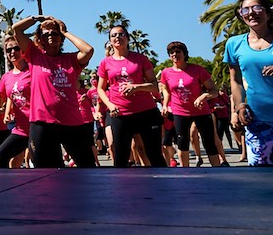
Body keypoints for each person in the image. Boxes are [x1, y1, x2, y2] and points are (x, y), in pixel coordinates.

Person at [11, 15, 95, 168]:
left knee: (88, 166)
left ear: (61, 38)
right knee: (45, 170)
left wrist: (65, 31)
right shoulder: (34, 55)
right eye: (46, 34)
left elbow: (88, 50)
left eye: (55, 33)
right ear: (41, 39)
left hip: (72, 122)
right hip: (42, 123)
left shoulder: (71, 60)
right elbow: (16, 29)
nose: (51, 36)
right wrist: (37, 18)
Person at [97, 25, 165, 168]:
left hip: (146, 112)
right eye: (114, 35)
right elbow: (100, 89)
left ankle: (163, 185)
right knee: (121, 155)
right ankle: (121, 188)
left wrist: (137, 87)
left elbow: (154, 85)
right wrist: (110, 105)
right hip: (121, 114)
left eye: (121, 34)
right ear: (110, 41)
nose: (117, 37)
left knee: (153, 153)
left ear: (127, 38)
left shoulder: (140, 59)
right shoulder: (105, 63)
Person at [225, 0, 273, 166]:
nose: (251, 13)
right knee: (260, 180)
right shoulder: (234, 44)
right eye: (245, 10)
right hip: (256, 120)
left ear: (268, 13)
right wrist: (239, 107)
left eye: (257, 8)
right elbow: (236, 81)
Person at [159, 41, 220, 167]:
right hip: (179, 112)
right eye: (171, 52)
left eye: (178, 52)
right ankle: (185, 172)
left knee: (209, 142)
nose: (174, 55)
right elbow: (166, 90)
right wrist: (165, 105)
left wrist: (203, 96)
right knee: (182, 142)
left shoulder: (197, 70)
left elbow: (214, 91)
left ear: (185, 53)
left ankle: (217, 169)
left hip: (201, 111)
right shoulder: (166, 72)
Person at [0, 37, 31, 169]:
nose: (12, 52)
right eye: (8, 49)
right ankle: (6, 187)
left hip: (37, 126)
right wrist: (5, 110)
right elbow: (6, 98)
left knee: (44, 164)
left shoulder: (33, 71)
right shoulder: (6, 77)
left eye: (16, 48)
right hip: (20, 129)